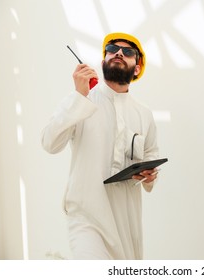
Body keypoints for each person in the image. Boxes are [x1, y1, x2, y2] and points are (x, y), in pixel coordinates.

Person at [41, 32, 159, 259]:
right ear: (104, 60)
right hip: (87, 220)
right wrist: (79, 96)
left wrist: (149, 175)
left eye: (128, 52)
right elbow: (49, 142)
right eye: (112, 49)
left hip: (127, 224)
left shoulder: (144, 114)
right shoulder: (82, 100)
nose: (119, 54)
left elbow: (151, 156)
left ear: (137, 68)